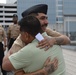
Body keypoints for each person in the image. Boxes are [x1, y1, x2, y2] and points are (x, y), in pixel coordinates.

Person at [5, 4, 70, 75]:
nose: (46, 22)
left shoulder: (44, 31)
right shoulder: (20, 41)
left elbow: (66, 39)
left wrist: (54, 40)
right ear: (32, 21)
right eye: (42, 18)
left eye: (46, 18)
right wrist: (43, 72)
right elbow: (12, 69)